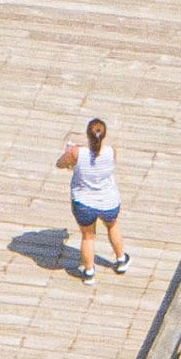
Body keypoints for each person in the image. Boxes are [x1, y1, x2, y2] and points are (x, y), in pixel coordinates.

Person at [55, 118, 131, 284]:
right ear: (104, 135)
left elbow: (60, 164)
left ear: (88, 135)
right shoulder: (112, 152)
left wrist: (69, 155)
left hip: (84, 203)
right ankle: (120, 260)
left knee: (88, 236)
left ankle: (89, 272)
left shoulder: (77, 153)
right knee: (112, 226)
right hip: (108, 201)